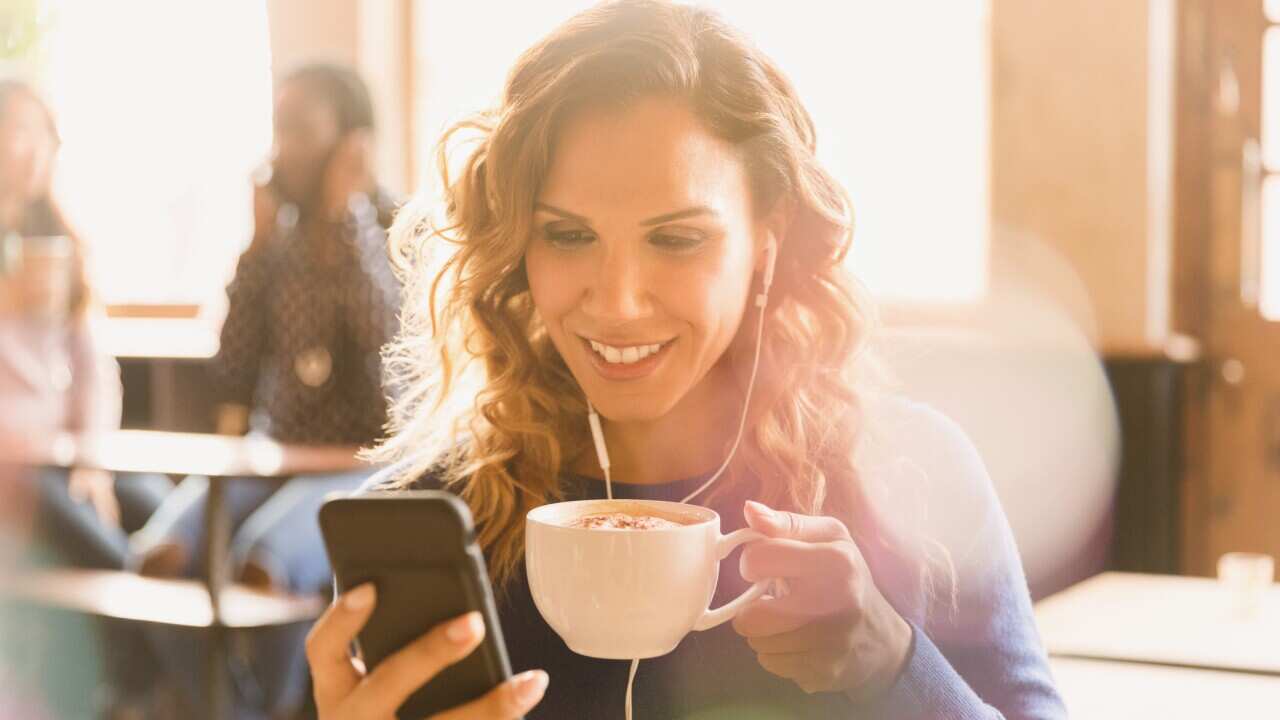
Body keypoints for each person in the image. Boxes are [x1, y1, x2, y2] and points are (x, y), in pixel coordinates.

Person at [306, 1, 1068, 718]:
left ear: (765, 244)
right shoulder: (440, 517)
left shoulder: (914, 479)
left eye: (676, 239)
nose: (617, 303)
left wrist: (892, 662)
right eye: (569, 236)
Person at [131, 63, 398, 718]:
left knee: (265, 560)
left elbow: (390, 373)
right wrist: (254, 246)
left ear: (351, 143)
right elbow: (234, 367)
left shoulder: (391, 229)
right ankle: (231, 710)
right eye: (280, 130)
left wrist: (343, 223)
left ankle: (275, 709)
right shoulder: (275, 242)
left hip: (360, 461)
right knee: (154, 558)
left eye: (303, 130)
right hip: (273, 448)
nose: (284, 149)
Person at [0, 78, 173, 716]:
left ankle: (167, 682)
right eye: (10, 131)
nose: (23, 149)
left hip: (65, 450)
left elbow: (95, 366)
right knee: (112, 555)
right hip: (10, 465)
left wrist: (93, 461)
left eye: (35, 134)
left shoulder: (63, 243)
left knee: (169, 518)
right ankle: (138, 690)